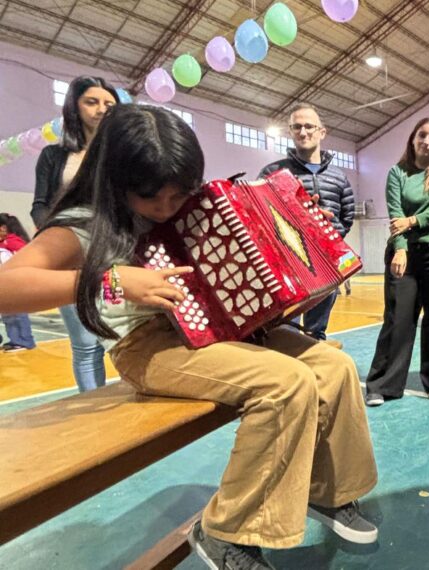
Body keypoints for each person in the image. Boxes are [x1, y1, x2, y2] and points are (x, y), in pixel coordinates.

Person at [0, 106, 378, 569]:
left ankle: (329, 490)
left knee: (333, 365)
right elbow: (6, 287)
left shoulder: (198, 206)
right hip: (147, 344)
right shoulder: (85, 221)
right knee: (285, 383)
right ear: (114, 177)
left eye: (179, 195)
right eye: (149, 197)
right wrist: (114, 280)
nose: (165, 208)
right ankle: (225, 532)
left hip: (219, 327)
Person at [365, 118, 429, 406]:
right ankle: (383, 385)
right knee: (398, 317)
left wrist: (414, 220)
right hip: (404, 251)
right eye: (423, 135)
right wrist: (401, 248)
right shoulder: (397, 173)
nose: (427, 142)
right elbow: (395, 212)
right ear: (413, 138)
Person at [31, 75, 118, 391]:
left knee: (123, 336)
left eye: (108, 103)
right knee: (85, 345)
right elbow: (39, 206)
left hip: (113, 258)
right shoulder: (53, 157)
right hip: (70, 259)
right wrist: (54, 239)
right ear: (75, 107)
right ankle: (94, 413)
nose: (101, 109)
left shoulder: (119, 158)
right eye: (91, 102)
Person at [259, 103, 355, 348]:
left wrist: (326, 237)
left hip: (325, 264)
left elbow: (347, 216)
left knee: (316, 334)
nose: (303, 132)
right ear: (291, 132)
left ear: (322, 132)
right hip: (286, 264)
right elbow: (259, 217)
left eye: (309, 126)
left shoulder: (339, 177)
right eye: (297, 127)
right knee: (282, 334)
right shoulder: (272, 172)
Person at [0, 214, 36, 353]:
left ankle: (24, 341)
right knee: (9, 314)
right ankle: (16, 339)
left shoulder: (12, 242)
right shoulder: (6, 243)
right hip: (9, 282)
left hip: (16, 282)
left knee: (17, 313)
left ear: (3, 228)